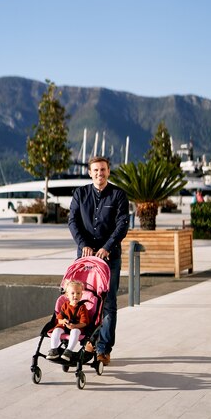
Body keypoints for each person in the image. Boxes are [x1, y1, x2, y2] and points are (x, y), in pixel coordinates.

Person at [68, 156, 129, 366]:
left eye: (103, 170)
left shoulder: (118, 195)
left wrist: (106, 247)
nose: (99, 173)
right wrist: (83, 243)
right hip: (85, 258)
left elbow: (122, 225)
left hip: (109, 257)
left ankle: (104, 349)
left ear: (108, 172)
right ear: (90, 172)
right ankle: (90, 341)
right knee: (86, 300)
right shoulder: (80, 193)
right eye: (95, 170)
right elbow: (73, 221)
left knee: (109, 302)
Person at [46, 280, 89, 361]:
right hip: (64, 326)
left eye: (78, 293)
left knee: (75, 331)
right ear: (67, 295)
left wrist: (74, 326)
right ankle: (54, 350)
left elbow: (84, 323)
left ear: (81, 295)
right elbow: (59, 320)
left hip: (77, 327)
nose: (75, 295)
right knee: (56, 330)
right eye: (72, 293)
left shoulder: (82, 307)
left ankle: (68, 351)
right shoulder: (65, 305)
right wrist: (63, 321)